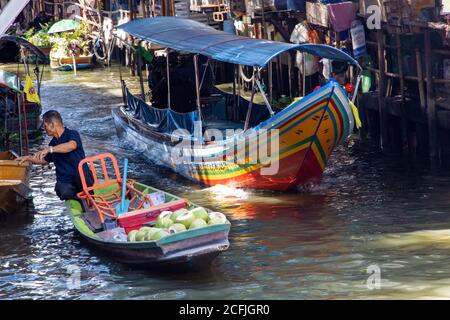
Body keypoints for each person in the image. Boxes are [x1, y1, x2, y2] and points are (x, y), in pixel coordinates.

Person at [17, 110, 93, 201]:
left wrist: (50, 149)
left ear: (52, 125)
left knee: (83, 178)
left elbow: (72, 145)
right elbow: (44, 160)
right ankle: (80, 200)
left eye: (45, 126)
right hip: (66, 181)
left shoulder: (72, 134)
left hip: (81, 176)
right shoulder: (53, 143)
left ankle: (89, 198)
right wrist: (29, 158)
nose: (44, 128)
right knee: (61, 190)